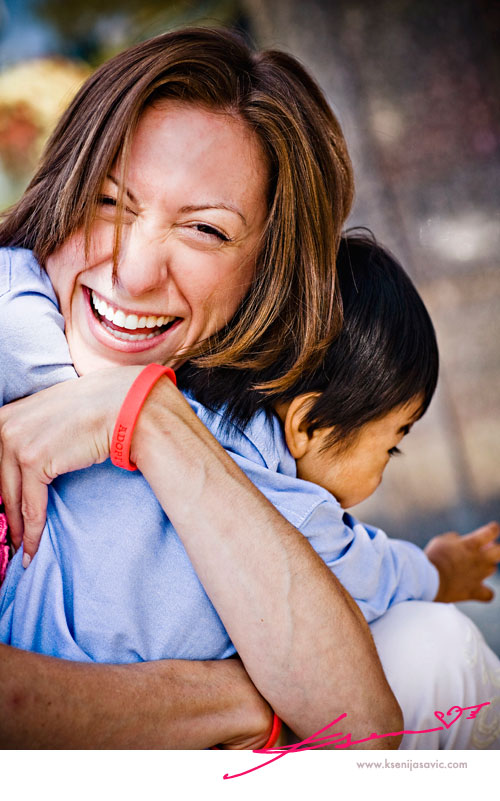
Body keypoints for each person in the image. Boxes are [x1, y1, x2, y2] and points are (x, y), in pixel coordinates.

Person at [0, 27, 402, 749]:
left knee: (440, 650)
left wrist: (151, 417)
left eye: (206, 231)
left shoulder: (236, 435)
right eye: (109, 201)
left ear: (268, 272)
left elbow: (361, 727)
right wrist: (232, 700)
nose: (134, 274)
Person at [2, 223, 500, 747]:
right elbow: (378, 573)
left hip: (23, 625)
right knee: (443, 648)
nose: (384, 470)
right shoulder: (296, 516)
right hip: (114, 721)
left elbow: (17, 302)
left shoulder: (128, 401)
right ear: (307, 425)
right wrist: (439, 570)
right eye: (391, 446)